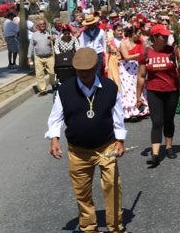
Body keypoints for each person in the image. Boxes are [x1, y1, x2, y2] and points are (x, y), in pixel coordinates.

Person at [45, 48, 128, 233]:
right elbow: (56, 117)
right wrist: (54, 138)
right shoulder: (65, 89)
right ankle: (89, 227)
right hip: (78, 151)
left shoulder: (109, 87)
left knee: (113, 187)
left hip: (107, 147)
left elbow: (118, 116)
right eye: (80, 71)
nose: (84, 74)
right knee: (82, 192)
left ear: (96, 67)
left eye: (88, 70)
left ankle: (116, 227)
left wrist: (120, 140)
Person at [137, 23, 180, 166]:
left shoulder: (173, 50)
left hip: (172, 90)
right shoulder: (145, 53)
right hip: (154, 91)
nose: (166, 37)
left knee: (169, 120)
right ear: (155, 37)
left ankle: (169, 147)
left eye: (166, 35)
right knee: (157, 122)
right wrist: (138, 97)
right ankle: (155, 154)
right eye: (163, 36)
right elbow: (141, 75)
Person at [119, 24, 148, 120]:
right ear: (133, 34)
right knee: (128, 89)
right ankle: (131, 112)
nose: (140, 35)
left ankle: (140, 108)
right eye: (138, 33)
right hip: (126, 68)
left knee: (139, 87)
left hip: (138, 67)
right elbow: (126, 57)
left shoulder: (140, 42)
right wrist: (139, 54)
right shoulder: (123, 43)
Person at [28, 18, 56, 96]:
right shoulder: (34, 35)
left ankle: (53, 83)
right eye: (40, 24)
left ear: (45, 25)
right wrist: (29, 57)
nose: (42, 25)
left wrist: (53, 40)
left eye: (43, 24)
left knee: (52, 72)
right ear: (38, 26)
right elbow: (31, 46)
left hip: (49, 56)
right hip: (38, 57)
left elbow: (55, 44)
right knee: (39, 74)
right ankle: (43, 90)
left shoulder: (49, 33)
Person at [78, 14, 107, 79]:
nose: (90, 25)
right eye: (89, 24)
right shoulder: (84, 33)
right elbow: (82, 45)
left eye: (92, 23)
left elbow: (104, 44)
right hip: (88, 55)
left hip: (98, 54)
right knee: (90, 72)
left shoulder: (101, 32)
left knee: (98, 72)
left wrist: (105, 55)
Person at [105, 23, 124, 88]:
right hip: (113, 61)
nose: (120, 32)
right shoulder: (110, 40)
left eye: (121, 30)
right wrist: (106, 65)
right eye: (118, 30)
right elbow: (107, 52)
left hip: (123, 61)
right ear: (114, 31)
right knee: (114, 78)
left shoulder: (125, 40)